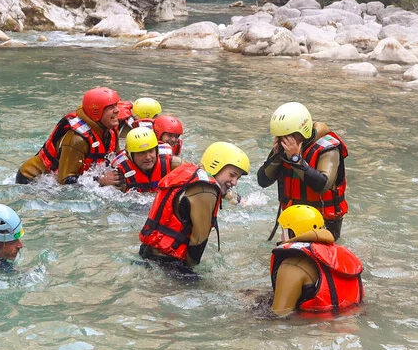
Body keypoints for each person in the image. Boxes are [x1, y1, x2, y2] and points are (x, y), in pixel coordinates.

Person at [138, 141, 249, 273]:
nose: (235, 182)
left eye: (238, 177)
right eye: (232, 175)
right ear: (216, 166)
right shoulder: (206, 192)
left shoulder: (192, 173)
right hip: (168, 265)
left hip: (150, 253)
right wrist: (191, 273)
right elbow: (198, 242)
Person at [256, 101, 349, 239]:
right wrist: (277, 156)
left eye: (288, 136)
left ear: (303, 131)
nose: (284, 140)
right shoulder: (284, 148)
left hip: (323, 222)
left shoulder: (328, 149)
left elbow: (322, 185)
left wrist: (295, 159)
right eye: (280, 136)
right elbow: (262, 180)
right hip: (293, 218)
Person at [269, 205, 364, 316]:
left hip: (316, 328)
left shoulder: (291, 266)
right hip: (351, 320)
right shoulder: (342, 255)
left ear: (290, 233)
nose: (281, 236)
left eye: (282, 231)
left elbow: (279, 316)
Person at [17, 87, 121, 184]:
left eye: (116, 105)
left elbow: (115, 158)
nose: (117, 110)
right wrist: (100, 180)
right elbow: (64, 180)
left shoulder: (110, 129)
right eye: (110, 107)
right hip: (31, 181)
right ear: (96, 112)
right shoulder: (77, 140)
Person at [100, 127, 181, 192]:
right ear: (130, 155)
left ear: (157, 150)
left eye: (151, 151)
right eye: (141, 153)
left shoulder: (173, 163)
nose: (148, 157)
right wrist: (102, 181)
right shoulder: (120, 173)